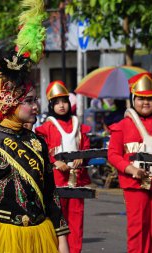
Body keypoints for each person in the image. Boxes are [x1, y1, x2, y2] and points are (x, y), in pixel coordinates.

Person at [0, 47, 69, 253]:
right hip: (7, 237)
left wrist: (63, 242)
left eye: (35, 100)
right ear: (8, 103)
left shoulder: (37, 142)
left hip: (43, 235)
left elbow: (51, 195)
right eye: (29, 101)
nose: (35, 106)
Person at [108, 72, 152, 253]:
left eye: (150, 99)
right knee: (138, 230)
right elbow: (113, 154)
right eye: (141, 99)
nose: (146, 103)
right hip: (134, 184)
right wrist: (130, 169)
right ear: (133, 99)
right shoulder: (122, 125)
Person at [35, 80, 91, 253]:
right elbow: (40, 152)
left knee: (76, 221)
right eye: (57, 102)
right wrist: (54, 162)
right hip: (55, 183)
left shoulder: (79, 126)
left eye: (64, 101)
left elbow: (86, 147)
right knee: (56, 221)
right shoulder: (45, 128)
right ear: (51, 105)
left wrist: (82, 157)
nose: (61, 106)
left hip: (77, 182)